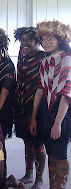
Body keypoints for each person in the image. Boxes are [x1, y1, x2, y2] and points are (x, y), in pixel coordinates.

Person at [30, 20, 71, 189]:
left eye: (50, 39)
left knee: (60, 153)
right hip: (45, 111)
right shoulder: (45, 62)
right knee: (50, 152)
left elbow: (67, 94)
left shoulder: (66, 59)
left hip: (61, 112)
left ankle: (59, 186)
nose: (46, 42)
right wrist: (33, 118)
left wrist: (57, 123)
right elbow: (40, 90)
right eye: (43, 39)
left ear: (60, 39)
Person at [11, 27, 46, 189]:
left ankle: (39, 179)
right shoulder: (22, 56)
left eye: (29, 40)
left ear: (37, 40)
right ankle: (29, 174)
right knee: (27, 141)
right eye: (22, 40)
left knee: (38, 143)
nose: (25, 43)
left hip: (37, 107)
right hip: (22, 104)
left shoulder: (43, 57)